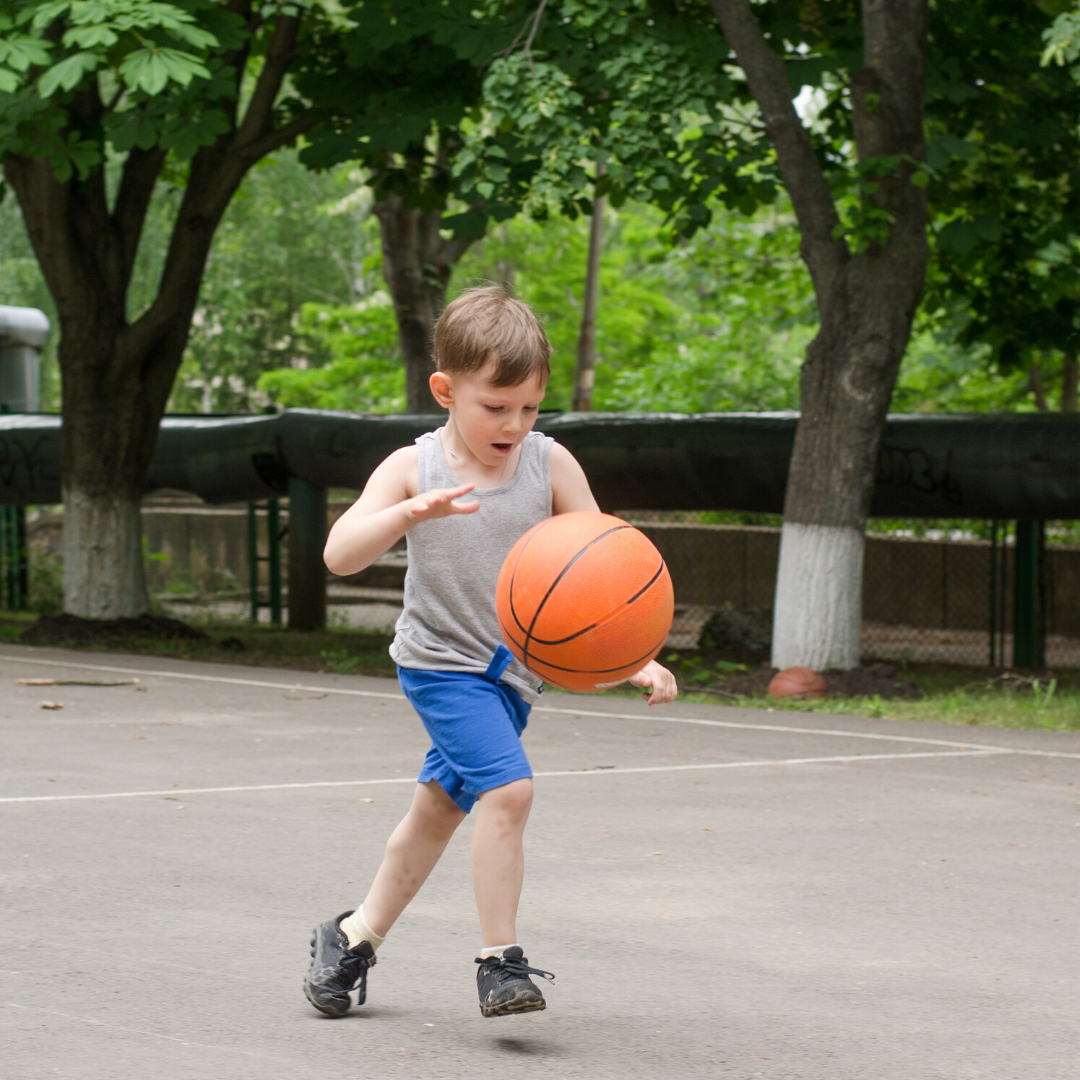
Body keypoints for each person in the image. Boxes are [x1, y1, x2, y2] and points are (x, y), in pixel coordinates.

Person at [303, 285, 677, 1020]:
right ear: (446, 390)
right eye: (494, 406)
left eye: (529, 407)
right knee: (508, 792)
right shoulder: (414, 468)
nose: (513, 424)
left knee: (438, 812)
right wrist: (406, 512)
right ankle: (499, 962)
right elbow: (339, 554)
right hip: (441, 666)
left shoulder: (550, 464)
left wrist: (630, 655)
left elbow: (602, 574)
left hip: (513, 677)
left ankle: (351, 936)